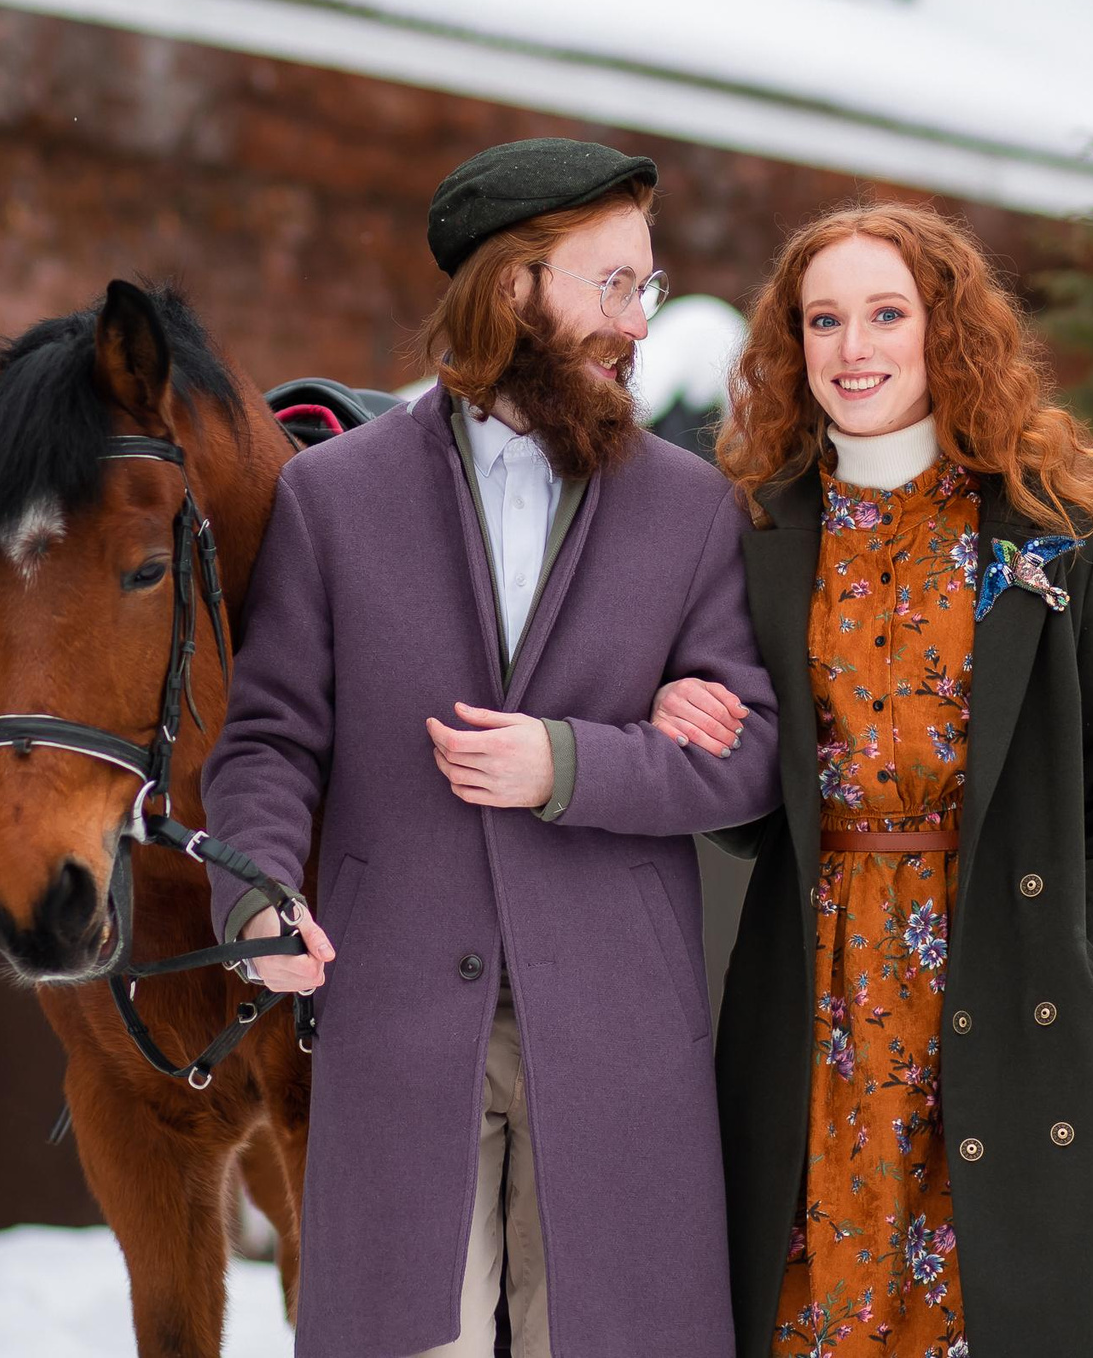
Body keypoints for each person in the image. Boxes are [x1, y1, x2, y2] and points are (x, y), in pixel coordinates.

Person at [202, 137, 782, 1358]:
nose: (637, 320)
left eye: (647, 287)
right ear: (513, 290)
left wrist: (570, 765)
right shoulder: (335, 497)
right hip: (400, 1010)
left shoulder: (691, 508)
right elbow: (268, 740)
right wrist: (252, 891)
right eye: (610, 284)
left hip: (621, 1022)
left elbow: (747, 761)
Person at [659, 203, 1093, 1358]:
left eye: (886, 313)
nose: (853, 347)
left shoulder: (1044, 530)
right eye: (822, 319)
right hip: (812, 986)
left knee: (983, 1312)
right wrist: (697, 725)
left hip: (1004, 976)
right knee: (803, 1313)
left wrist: (1086, 967)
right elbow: (750, 813)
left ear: (945, 330)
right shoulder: (756, 529)